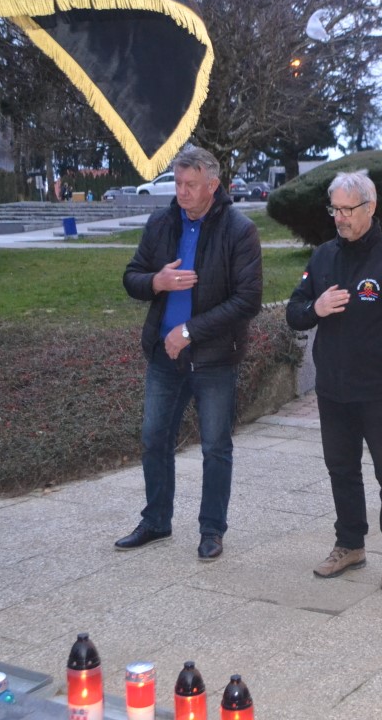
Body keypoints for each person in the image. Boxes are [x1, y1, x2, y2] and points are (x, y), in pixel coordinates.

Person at [116, 146, 263, 561]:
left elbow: (248, 300)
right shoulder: (161, 223)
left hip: (213, 359)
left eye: (190, 185)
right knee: (154, 439)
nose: (181, 192)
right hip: (164, 357)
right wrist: (156, 282)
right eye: (178, 183)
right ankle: (156, 521)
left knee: (215, 447)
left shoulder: (239, 230)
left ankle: (212, 530)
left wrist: (188, 331)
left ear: (213, 185)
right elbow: (131, 276)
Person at [286, 171, 382, 591]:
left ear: (371, 207)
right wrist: (316, 307)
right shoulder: (323, 257)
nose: (340, 218)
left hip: (380, 390)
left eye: (349, 209)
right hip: (333, 388)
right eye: (335, 209)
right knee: (341, 469)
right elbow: (295, 312)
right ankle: (350, 544)